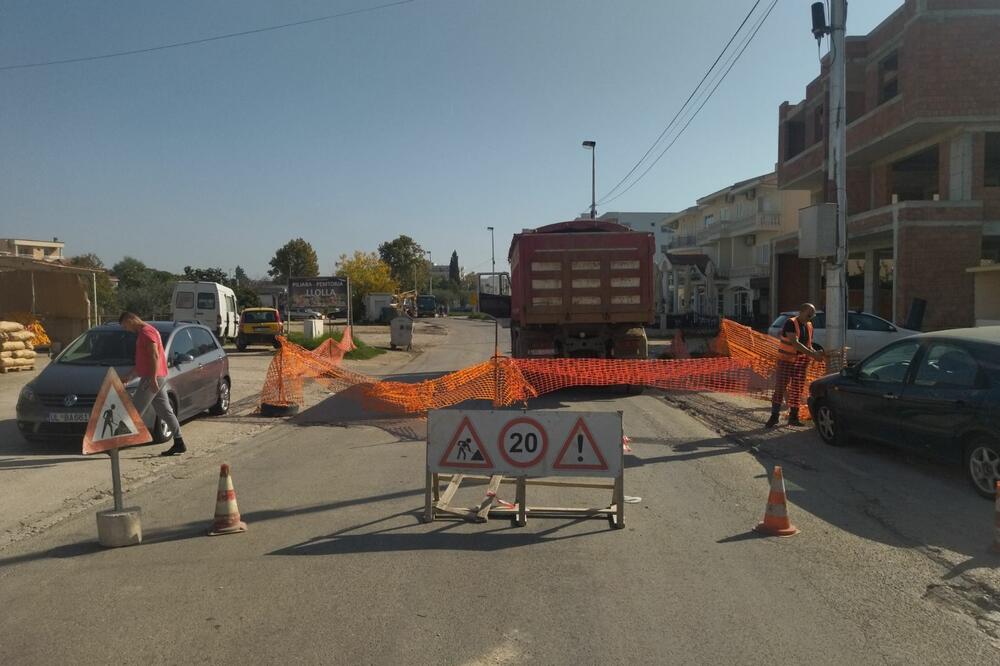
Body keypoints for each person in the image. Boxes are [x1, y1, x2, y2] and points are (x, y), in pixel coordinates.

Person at [119, 312, 186, 455]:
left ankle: (119, 442)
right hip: (155, 376)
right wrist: (129, 376)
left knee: (135, 408)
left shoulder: (146, 332)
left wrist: (153, 378)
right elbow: (143, 361)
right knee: (164, 410)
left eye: (125, 326)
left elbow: (154, 356)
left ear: (131, 320)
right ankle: (179, 442)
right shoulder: (146, 331)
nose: (126, 329)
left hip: (152, 377)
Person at [766, 303, 824, 428]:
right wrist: (812, 354)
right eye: (809, 314)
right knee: (780, 388)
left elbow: (808, 344)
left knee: (797, 389)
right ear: (801, 311)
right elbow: (795, 343)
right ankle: (774, 416)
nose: (811, 317)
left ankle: (793, 417)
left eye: (812, 315)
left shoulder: (809, 325)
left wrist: (814, 353)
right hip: (786, 361)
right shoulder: (790, 323)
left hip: (801, 362)